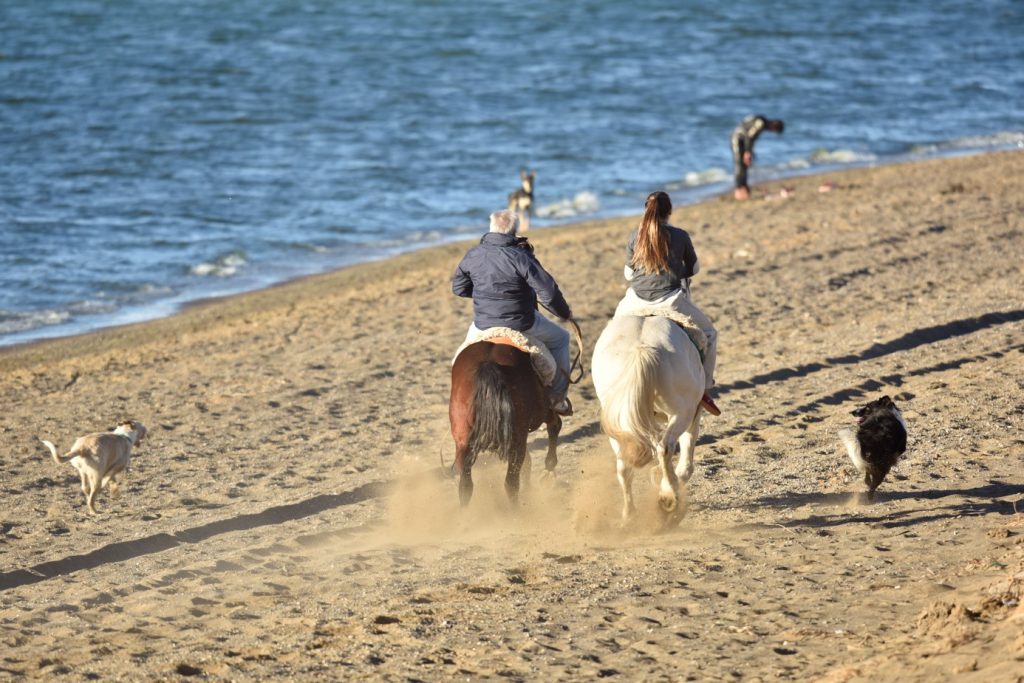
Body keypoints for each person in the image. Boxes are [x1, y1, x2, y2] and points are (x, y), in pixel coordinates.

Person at [452, 209, 575, 416]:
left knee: (458, 362)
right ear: (514, 231)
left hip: (483, 324)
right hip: (522, 323)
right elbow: (548, 293)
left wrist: (485, 293)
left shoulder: (473, 254)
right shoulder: (521, 257)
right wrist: (564, 313)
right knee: (562, 338)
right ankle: (557, 398)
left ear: (491, 228)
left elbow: (459, 288)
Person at [615, 191, 720, 415]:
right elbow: (694, 270)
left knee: (614, 332)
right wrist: (674, 270)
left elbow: (628, 275)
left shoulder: (636, 235)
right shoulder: (680, 236)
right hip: (669, 300)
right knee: (710, 333)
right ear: (669, 212)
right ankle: (705, 387)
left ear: (646, 210)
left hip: (635, 300)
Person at [731, 115, 784, 200]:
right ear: (774, 126)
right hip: (737, 139)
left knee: (744, 165)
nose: (771, 131)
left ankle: (744, 188)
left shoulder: (762, 122)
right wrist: (748, 152)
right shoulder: (761, 123)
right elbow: (749, 136)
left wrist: (749, 151)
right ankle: (739, 189)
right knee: (740, 164)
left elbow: (750, 138)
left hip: (743, 140)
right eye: (774, 130)